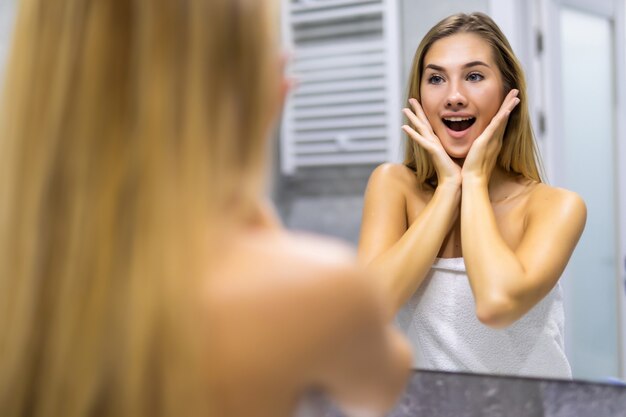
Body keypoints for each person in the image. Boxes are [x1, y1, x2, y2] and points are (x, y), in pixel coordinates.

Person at [0, 1, 411, 416]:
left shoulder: (24, 286)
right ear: (247, 76)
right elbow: (384, 384)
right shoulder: (317, 292)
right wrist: (241, 160)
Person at [358, 12, 586, 379]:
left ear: (509, 94)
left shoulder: (555, 207)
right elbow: (366, 314)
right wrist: (448, 188)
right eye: (435, 79)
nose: (454, 97)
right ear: (419, 96)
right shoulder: (393, 185)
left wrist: (474, 180)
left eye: (474, 76)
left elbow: (496, 304)